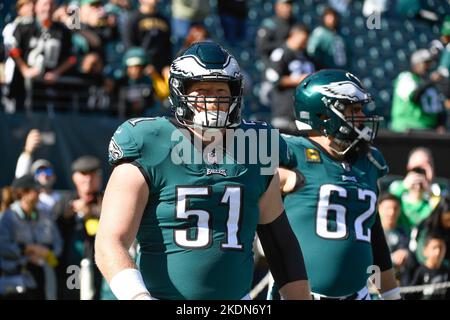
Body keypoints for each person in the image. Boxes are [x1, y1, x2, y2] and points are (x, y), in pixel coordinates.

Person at [95, 41, 311, 300]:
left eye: (221, 90)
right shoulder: (148, 142)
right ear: (180, 91)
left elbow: (280, 245)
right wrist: (138, 297)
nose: (213, 100)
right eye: (203, 90)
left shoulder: (255, 148)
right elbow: (110, 241)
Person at [273, 69, 401, 300]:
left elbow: (376, 241)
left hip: (358, 295)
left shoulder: (368, 162)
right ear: (323, 115)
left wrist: (391, 295)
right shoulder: (289, 152)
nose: (361, 117)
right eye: (354, 109)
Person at [0, 174, 62, 300]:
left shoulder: (45, 216)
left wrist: (47, 253)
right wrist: (28, 249)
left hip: (44, 280)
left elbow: (58, 243)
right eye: (36, 190)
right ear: (24, 193)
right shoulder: (8, 217)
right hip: (16, 285)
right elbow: (3, 246)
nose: (39, 193)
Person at [390, 49, 446, 133]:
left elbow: (438, 108)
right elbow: (414, 96)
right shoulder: (406, 77)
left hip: (429, 128)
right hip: (408, 128)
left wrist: (440, 125)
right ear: (415, 64)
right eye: (425, 63)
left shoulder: (429, 83)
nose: (428, 66)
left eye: (430, 63)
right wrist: (431, 81)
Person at [408, 233, 450, 300]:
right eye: (434, 248)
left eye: (441, 248)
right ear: (425, 250)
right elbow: (411, 295)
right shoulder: (420, 271)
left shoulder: (447, 270)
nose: (438, 252)